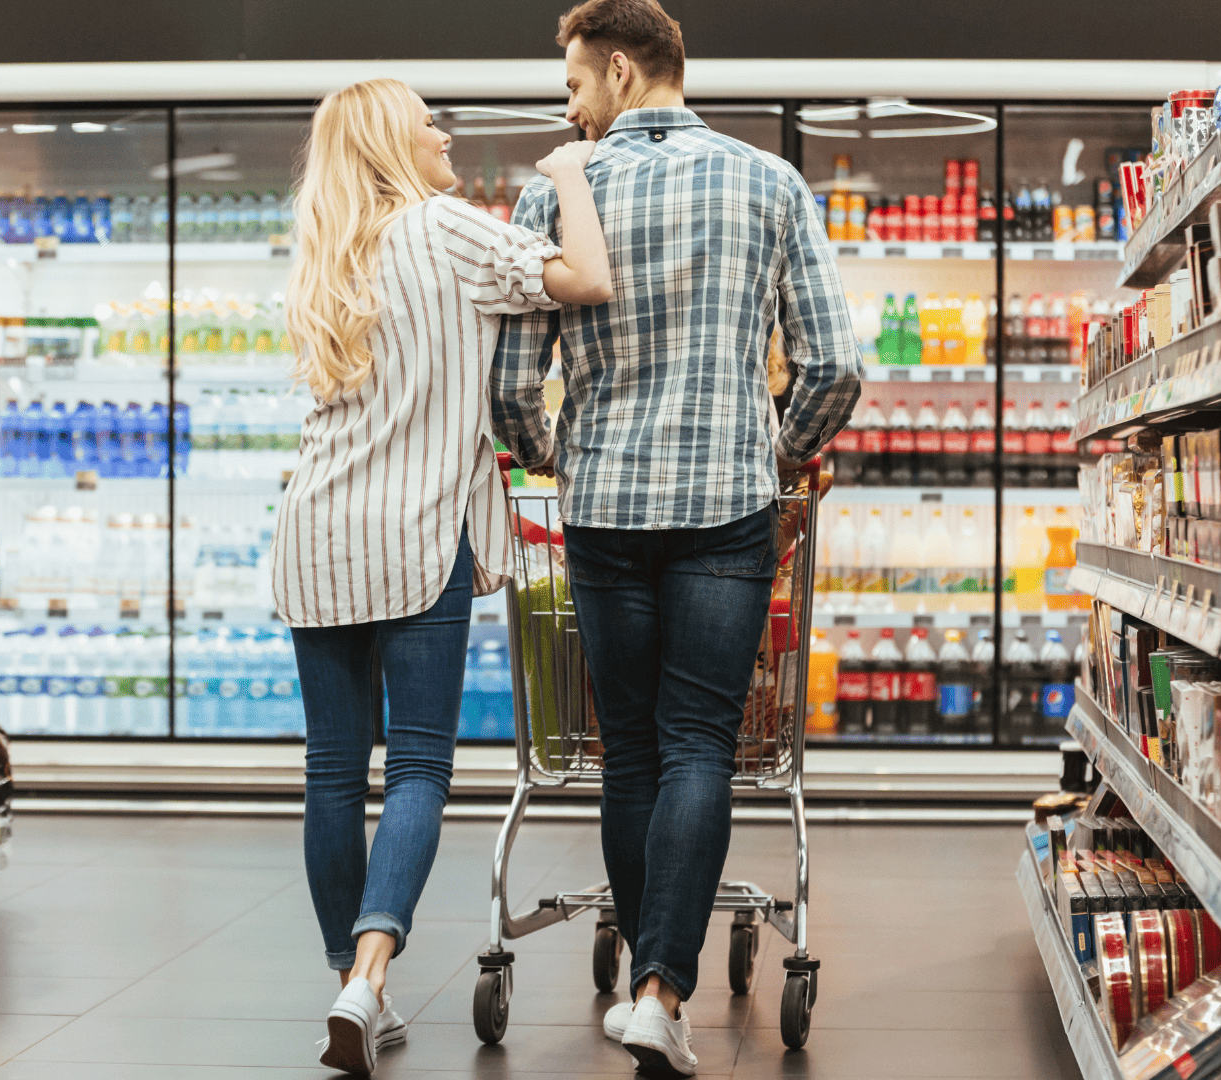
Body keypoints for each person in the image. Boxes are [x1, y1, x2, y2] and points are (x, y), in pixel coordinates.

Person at [490, 1, 862, 1075]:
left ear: (619, 70)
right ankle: (662, 992)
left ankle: (647, 986)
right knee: (702, 742)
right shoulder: (770, 182)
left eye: (574, 84)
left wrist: (554, 455)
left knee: (631, 749)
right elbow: (835, 366)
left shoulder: (556, 190)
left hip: (604, 509)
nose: (570, 107)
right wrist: (777, 455)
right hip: (726, 509)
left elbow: (511, 386)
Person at [272, 77, 613, 1076]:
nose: (445, 135)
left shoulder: (327, 249)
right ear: (394, 142)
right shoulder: (446, 228)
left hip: (316, 532)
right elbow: (588, 279)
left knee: (332, 770)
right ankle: (370, 976)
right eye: (430, 123)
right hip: (418, 533)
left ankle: (349, 984)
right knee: (419, 764)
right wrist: (572, 173)